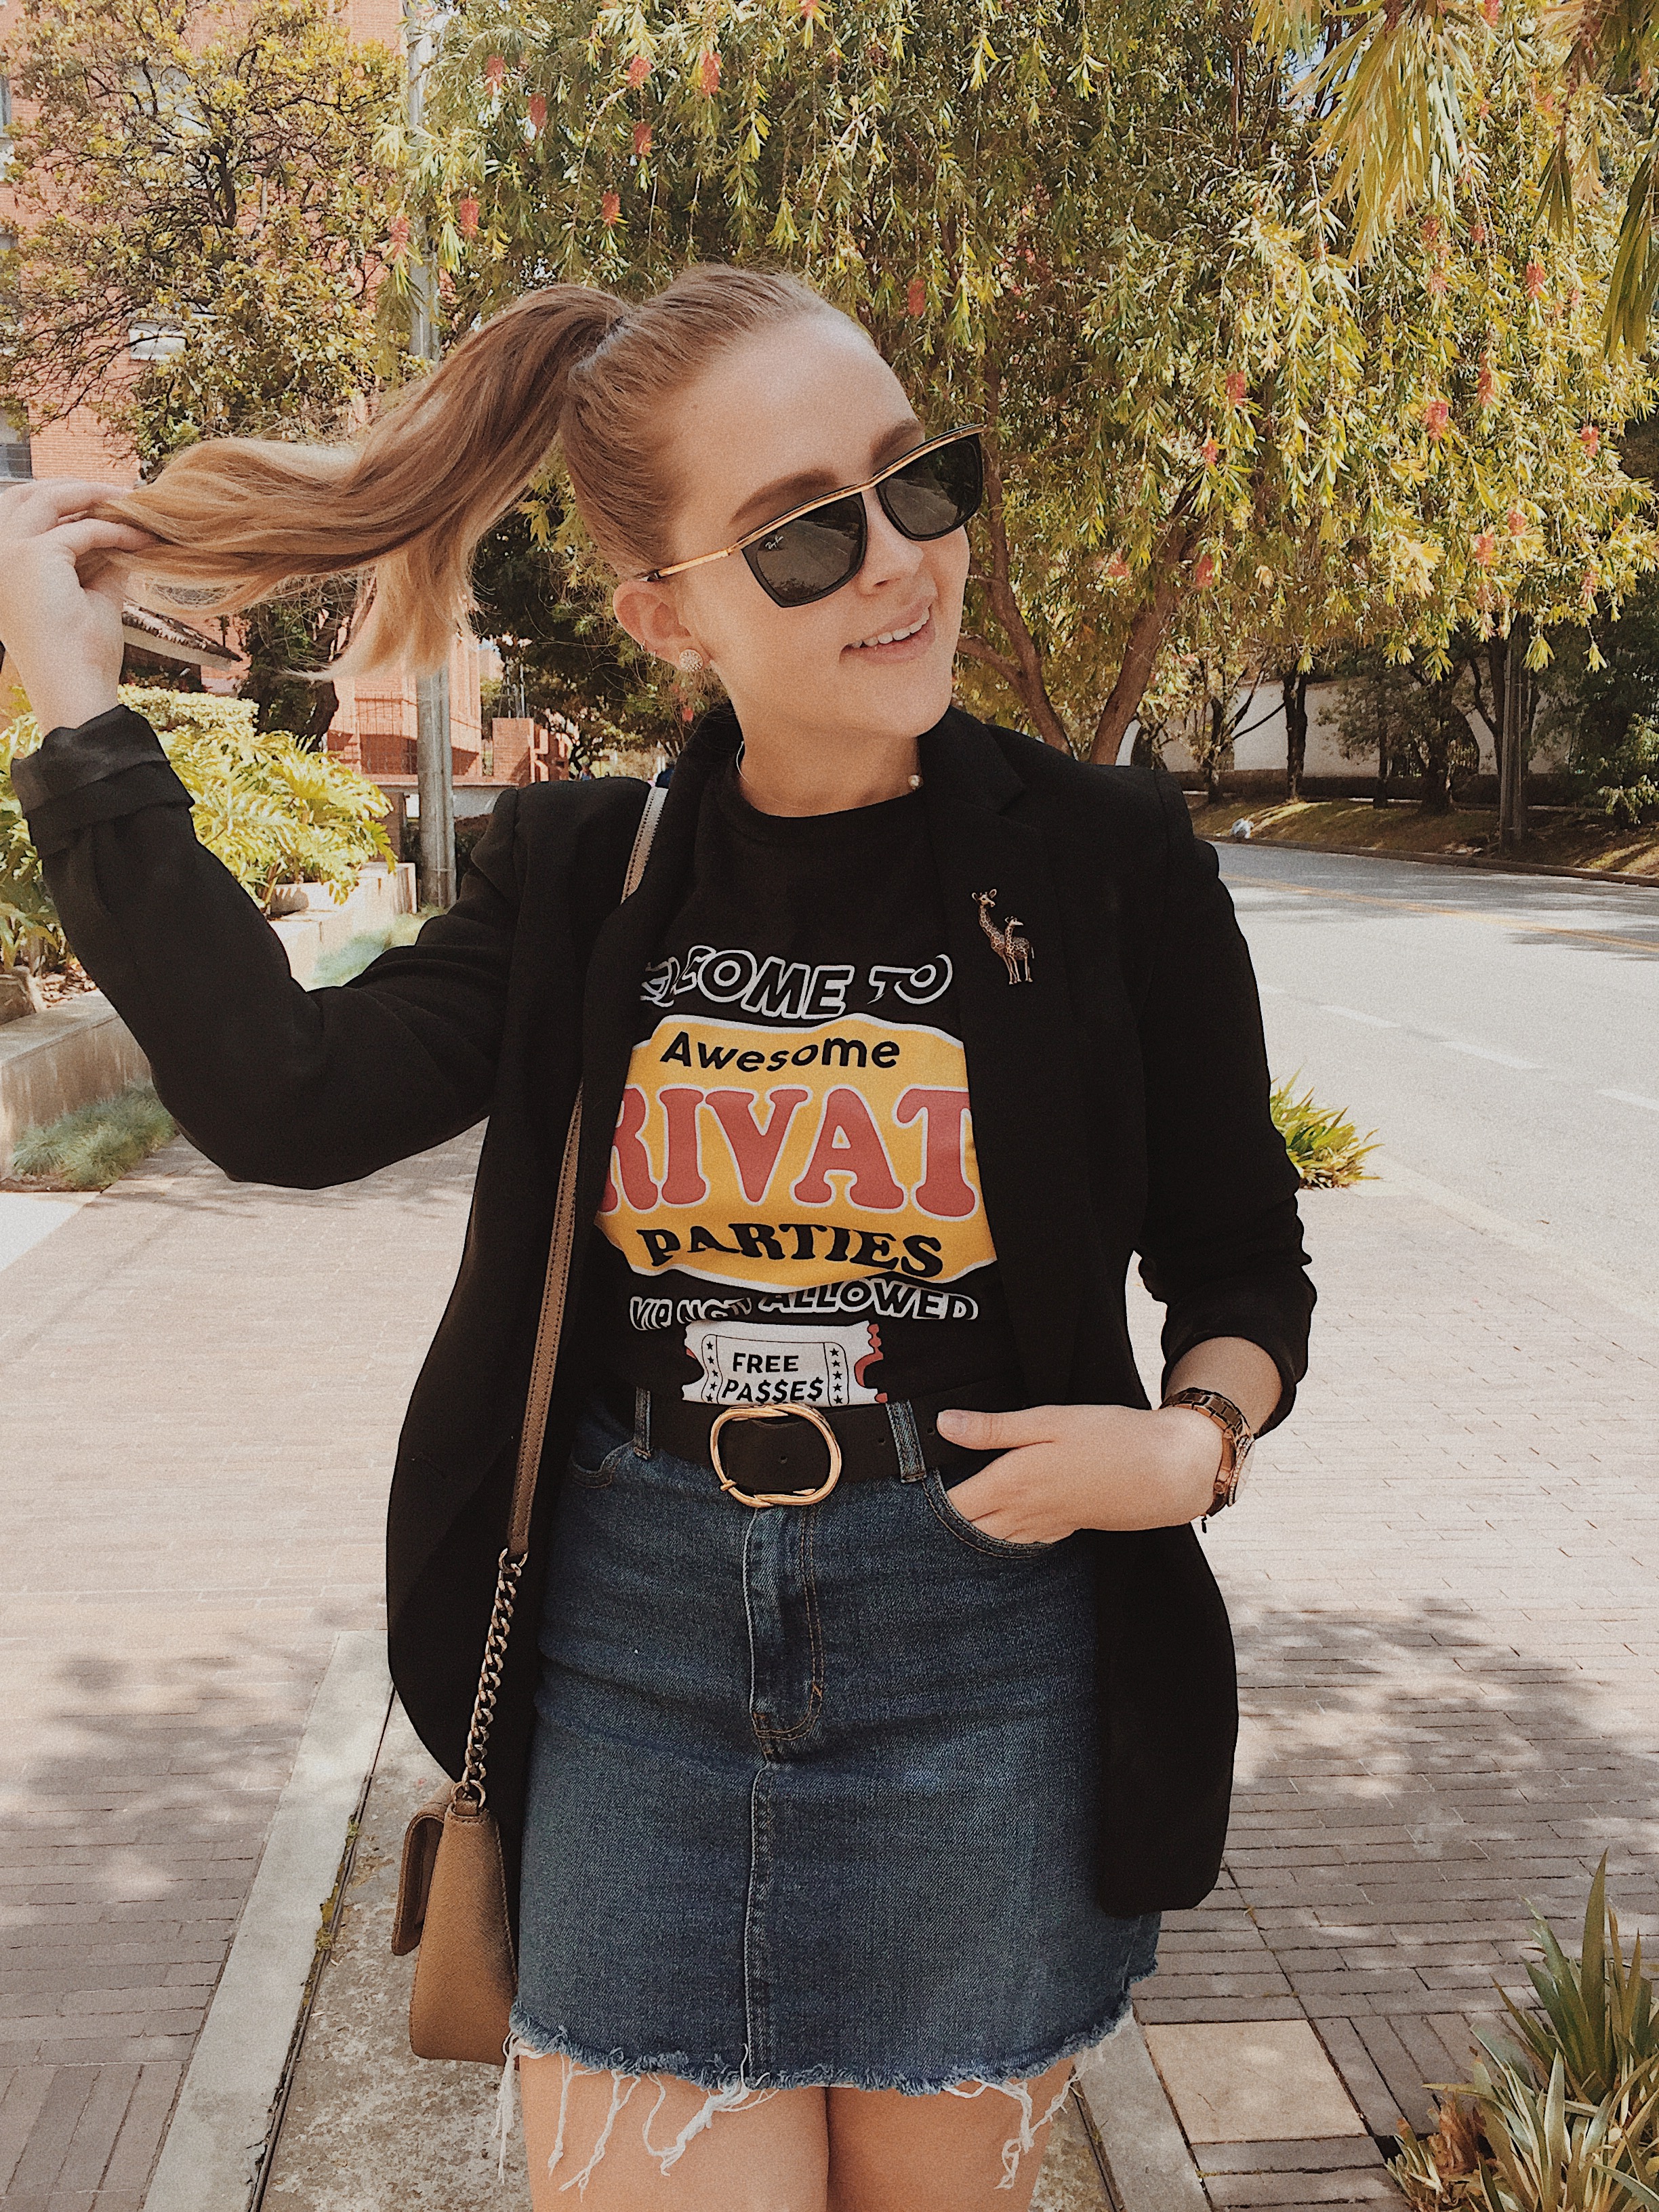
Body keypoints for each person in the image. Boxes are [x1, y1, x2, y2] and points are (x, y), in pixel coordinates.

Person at [0, 265, 1313, 2211]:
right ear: (666, 612)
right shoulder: (582, 877)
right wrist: (83, 717)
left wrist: (1192, 1447)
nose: (899, 560)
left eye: (917, 481)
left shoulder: (1104, 862)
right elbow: (284, 1098)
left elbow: (1243, 1254)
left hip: (986, 1658)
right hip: (637, 1673)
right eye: (804, 534)